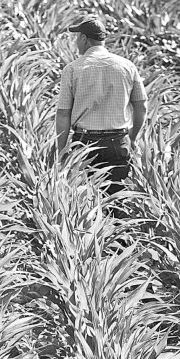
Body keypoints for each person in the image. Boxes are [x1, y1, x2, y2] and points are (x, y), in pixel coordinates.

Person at [55, 15, 147, 213]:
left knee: (85, 206)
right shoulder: (127, 66)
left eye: (77, 37)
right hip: (118, 141)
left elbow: (63, 114)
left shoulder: (72, 69)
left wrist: (61, 152)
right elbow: (141, 107)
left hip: (84, 144)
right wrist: (132, 137)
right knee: (117, 202)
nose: (76, 42)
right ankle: (118, 232)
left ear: (84, 39)